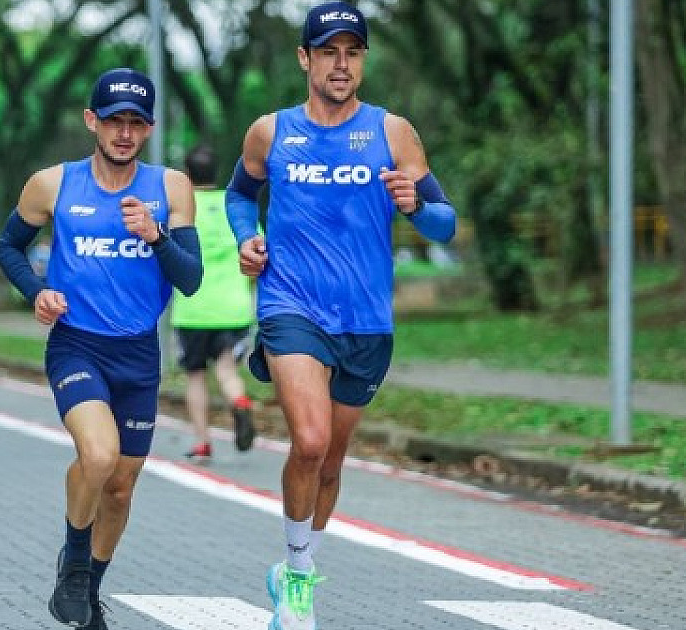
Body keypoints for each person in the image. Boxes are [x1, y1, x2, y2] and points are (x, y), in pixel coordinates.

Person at [225, 4, 457, 629]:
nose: (341, 64)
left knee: (330, 463)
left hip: (366, 321)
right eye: (328, 52)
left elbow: (446, 220)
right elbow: (240, 193)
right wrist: (247, 238)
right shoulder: (270, 132)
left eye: (353, 52)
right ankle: (300, 592)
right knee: (311, 439)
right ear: (305, 58)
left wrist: (416, 206)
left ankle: (292, 570)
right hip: (290, 305)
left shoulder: (393, 133)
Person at [0, 67, 202, 630]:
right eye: (115, 121)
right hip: (77, 344)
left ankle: (90, 594)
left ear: (150, 128)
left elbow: (191, 280)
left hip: (138, 354)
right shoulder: (52, 185)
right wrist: (37, 292)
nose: (125, 133)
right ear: (93, 122)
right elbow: (8, 247)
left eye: (136, 122)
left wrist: (156, 237)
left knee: (120, 485)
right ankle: (74, 566)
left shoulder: (171, 188)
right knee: (100, 454)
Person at [170, 144, 257, 460]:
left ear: (187, 174)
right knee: (225, 368)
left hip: (192, 310)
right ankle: (240, 403)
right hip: (233, 308)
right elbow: (256, 248)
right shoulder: (234, 205)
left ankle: (203, 441)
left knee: (195, 375)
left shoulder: (181, 208)